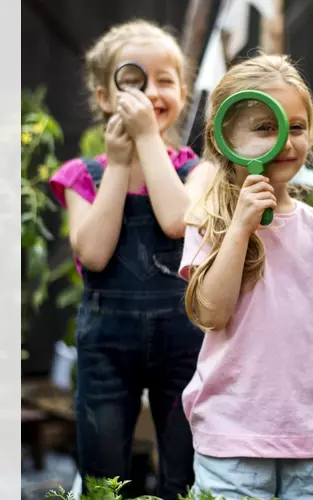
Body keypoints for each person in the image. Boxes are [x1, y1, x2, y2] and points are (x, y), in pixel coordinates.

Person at [179, 54, 313, 500]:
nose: (285, 140)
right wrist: (239, 228)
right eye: (264, 128)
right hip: (231, 440)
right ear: (225, 138)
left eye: (296, 127)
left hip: (311, 440)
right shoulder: (209, 221)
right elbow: (212, 313)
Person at [49, 19, 208, 499]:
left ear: (182, 93)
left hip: (184, 338)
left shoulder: (195, 169)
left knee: (186, 469)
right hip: (106, 347)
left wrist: (146, 143)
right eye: (136, 80)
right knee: (104, 470)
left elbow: (179, 221)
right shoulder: (84, 174)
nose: (152, 92)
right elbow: (94, 253)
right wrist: (119, 163)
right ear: (104, 97)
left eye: (165, 81)